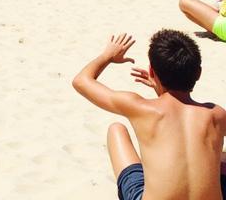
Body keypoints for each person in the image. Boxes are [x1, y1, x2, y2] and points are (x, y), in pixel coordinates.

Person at [71, 30, 226, 200]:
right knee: (219, 156)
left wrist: (107, 56)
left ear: (152, 72)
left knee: (117, 129)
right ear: (198, 73)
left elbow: (81, 81)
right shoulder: (216, 115)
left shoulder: (141, 108)